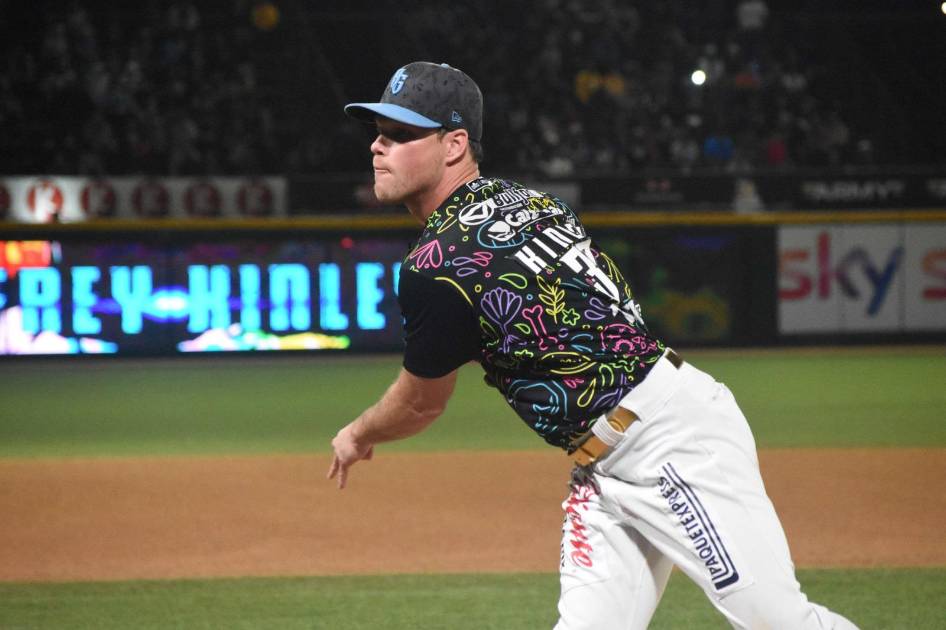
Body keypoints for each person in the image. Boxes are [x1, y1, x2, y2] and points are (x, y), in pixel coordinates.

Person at [328, 61, 858, 630]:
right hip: (608, 464)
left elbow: (420, 403)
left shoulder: (435, 265)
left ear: (455, 145)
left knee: (778, 621)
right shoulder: (531, 201)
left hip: (668, 442)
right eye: (378, 132)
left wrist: (359, 433)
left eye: (401, 133)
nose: (378, 146)